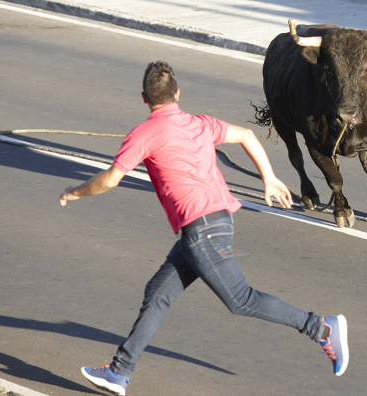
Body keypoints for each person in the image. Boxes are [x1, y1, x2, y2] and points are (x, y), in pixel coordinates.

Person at [59, 61, 348, 396]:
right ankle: (119, 372)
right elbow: (247, 135)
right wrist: (269, 177)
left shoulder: (144, 133)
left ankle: (322, 329)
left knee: (240, 299)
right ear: (177, 94)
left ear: (144, 98)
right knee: (158, 293)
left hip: (202, 231)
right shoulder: (198, 123)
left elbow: (110, 179)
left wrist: (75, 191)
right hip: (212, 223)